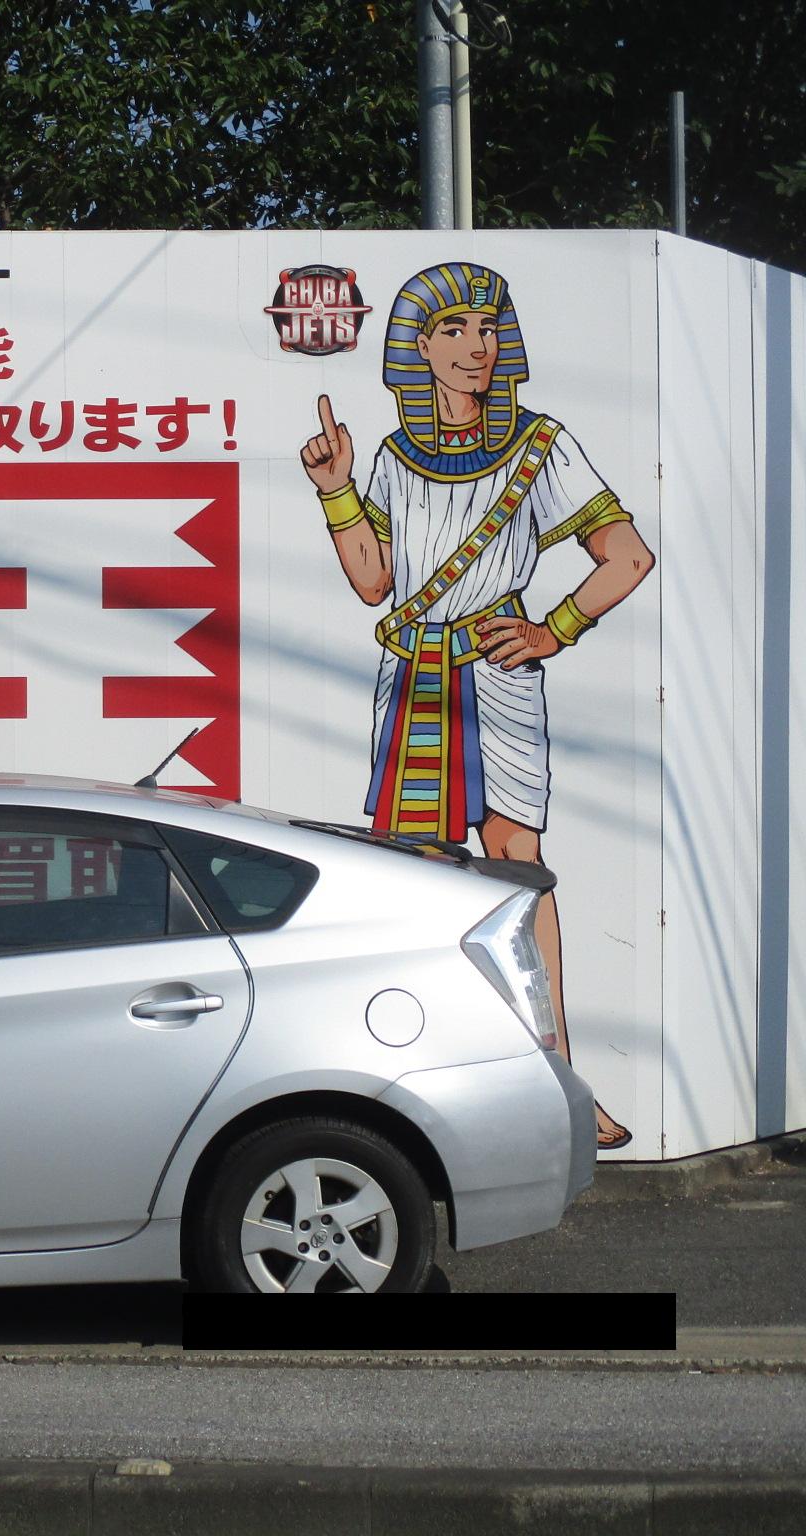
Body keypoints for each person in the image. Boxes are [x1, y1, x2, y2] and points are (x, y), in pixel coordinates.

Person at [297, 261, 655, 1149]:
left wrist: (554, 629)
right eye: (452, 330)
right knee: (419, 876)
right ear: (417, 348)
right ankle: (438, 1084)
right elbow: (375, 582)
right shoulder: (389, 456)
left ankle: (560, 1084)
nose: (475, 349)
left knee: (514, 867)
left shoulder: (541, 444)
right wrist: (336, 487)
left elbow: (629, 556)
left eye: (488, 329)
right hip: (413, 677)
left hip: (497, 676)